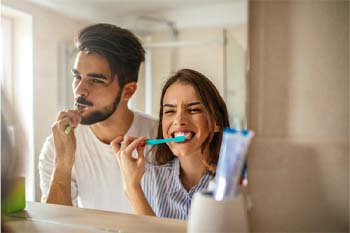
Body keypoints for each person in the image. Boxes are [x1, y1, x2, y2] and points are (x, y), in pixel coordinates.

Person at [38, 23, 158, 213]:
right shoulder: (58, 145)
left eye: (95, 80)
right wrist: (63, 164)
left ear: (128, 91)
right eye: (77, 76)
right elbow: (55, 225)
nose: (80, 90)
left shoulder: (160, 138)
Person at [112, 69, 230, 220]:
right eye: (169, 111)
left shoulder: (232, 183)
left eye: (193, 109)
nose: (179, 119)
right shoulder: (148, 178)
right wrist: (132, 187)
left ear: (216, 122)